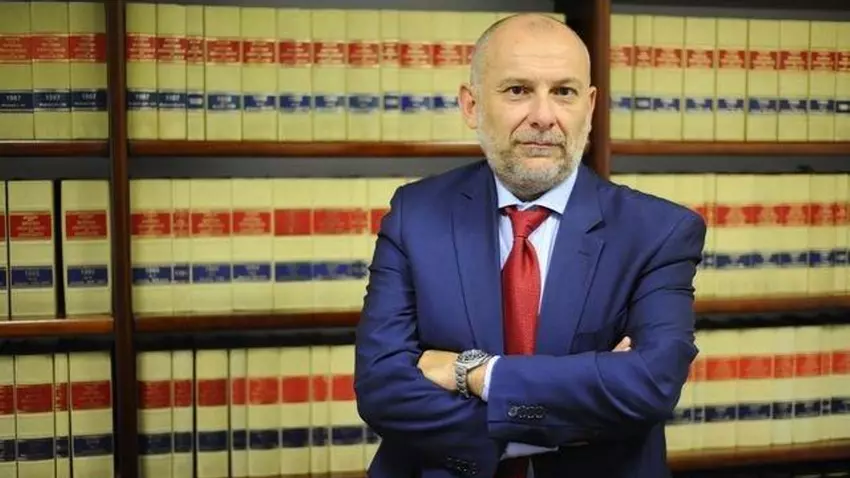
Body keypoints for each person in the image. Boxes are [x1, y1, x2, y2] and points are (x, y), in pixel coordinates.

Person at [353, 12, 706, 478]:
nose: (543, 116)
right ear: (471, 105)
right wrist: (575, 408)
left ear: (590, 106)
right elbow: (381, 388)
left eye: (564, 92)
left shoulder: (659, 231)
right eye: (518, 90)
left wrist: (475, 373)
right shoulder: (415, 214)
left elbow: (649, 386)